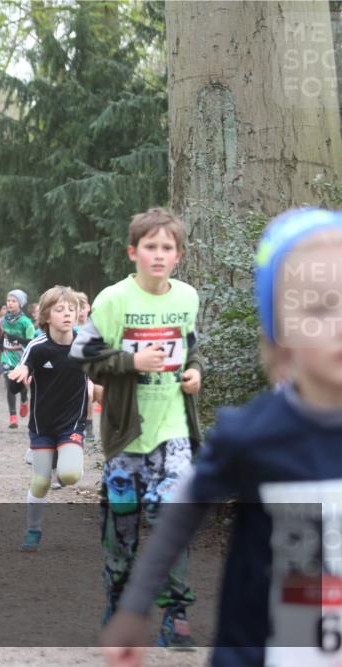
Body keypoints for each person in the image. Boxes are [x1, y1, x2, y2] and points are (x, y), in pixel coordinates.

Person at [101, 207, 342, 666]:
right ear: (280, 332)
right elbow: (179, 517)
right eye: (318, 308)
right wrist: (135, 607)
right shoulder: (253, 434)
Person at [70, 207, 203, 649]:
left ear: (179, 255)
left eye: (168, 247)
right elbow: (85, 355)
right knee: (121, 530)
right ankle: (119, 604)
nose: (159, 255)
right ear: (134, 252)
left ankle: (177, 616)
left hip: (174, 432)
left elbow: (191, 346)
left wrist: (196, 372)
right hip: (127, 435)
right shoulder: (114, 300)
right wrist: (130, 362)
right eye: (151, 247)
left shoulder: (186, 297)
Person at [7, 287, 88, 552]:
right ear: (46, 316)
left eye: (71, 309)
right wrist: (18, 376)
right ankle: (33, 529)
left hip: (72, 424)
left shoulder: (86, 344)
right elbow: (23, 371)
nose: (67, 314)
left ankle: (65, 460)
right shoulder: (38, 346)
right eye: (60, 310)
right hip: (42, 427)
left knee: (70, 475)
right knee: (41, 482)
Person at [0, 289, 36, 429]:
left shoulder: (26, 322)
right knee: (9, 385)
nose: (10, 303)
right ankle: (12, 416)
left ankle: (24, 400)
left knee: (20, 386)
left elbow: (31, 342)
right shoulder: (4, 320)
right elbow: (4, 333)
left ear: (20, 303)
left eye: (13, 301)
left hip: (22, 358)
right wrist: (0, 341)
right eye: (8, 300)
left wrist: (18, 339)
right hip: (7, 356)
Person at [76, 291, 102, 444]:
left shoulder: (96, 326)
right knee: (88, 394)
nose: (81, 310)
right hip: (76, 371)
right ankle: (84, 427)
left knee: (95, 394)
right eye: (77, 307)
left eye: (83, 306)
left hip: (94, 370)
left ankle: (92, 427)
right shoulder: (69, 327)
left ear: (88, 308)